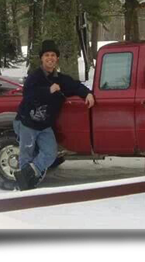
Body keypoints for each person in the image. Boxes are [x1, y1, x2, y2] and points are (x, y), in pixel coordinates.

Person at [13, 40, 95, 191]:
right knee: (26, 155)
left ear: (57, 58)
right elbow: (28, 94)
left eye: (53, 55)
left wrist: (88, 94)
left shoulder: (61, 79)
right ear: (41, 58)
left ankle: (28, 174)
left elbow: (75, 86)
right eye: (46, 55)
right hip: (27, 124)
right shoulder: (35, 76)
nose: (50, 58)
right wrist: (48, 90)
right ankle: (24, 188)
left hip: (44, 126)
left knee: (51, 154)